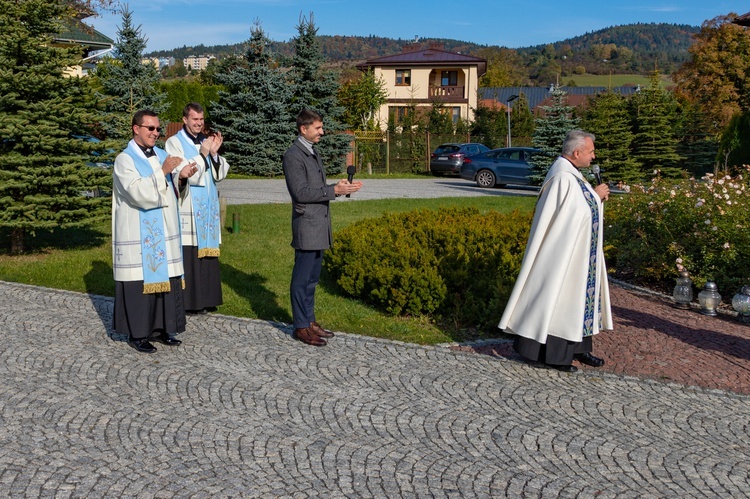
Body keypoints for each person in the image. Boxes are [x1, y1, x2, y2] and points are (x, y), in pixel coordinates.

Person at [498, 129, 613, 372]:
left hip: (577, 254)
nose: (594, 156)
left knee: (577, 298)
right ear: (577, 152)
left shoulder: (573, 173)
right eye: (591, 152)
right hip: (562, 256)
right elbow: (572, 215)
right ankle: (553, 357)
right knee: (561, 299)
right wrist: (596, 194)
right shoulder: (562, 176)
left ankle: (579, 349)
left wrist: (594, 197)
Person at [112, 109, 198, 353]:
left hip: (165, 231)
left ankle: (163, 328)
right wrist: (162, 172)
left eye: (158, 129)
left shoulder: (162, 155)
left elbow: (173, 191)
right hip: (138, 234)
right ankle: (138, 333)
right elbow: (137, 192)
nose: (155, 133)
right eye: (150, 128)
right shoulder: (124, 160)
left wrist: (181, 177)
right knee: (140, 283)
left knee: (166, 281)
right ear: (136, 128)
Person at [282, 109, 362, 346]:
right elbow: (301, 192)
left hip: (319, 224)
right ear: (303, 129)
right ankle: (300, 326)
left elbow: (315, 187)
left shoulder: (312, 152)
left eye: (321, 127)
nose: (322, 132)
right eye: (317, 128)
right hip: (307, 224)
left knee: (312, 278)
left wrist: (338, 187)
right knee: (301, 278)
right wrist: (333, 191)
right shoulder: (293, 156)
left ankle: (309, 320)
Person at [165, 102, 229, 315]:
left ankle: (208, 298)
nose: (199, 124)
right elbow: (185, 173)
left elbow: (219, 174)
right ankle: (191, 301)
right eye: (195, 120)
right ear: (185, 120)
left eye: (201, 120)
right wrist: (202, 155)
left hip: (208, 206)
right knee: (191, 253)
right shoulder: (174, 142)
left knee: (208, 256)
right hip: (189, 206)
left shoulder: (206, 141)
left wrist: (214, 154)